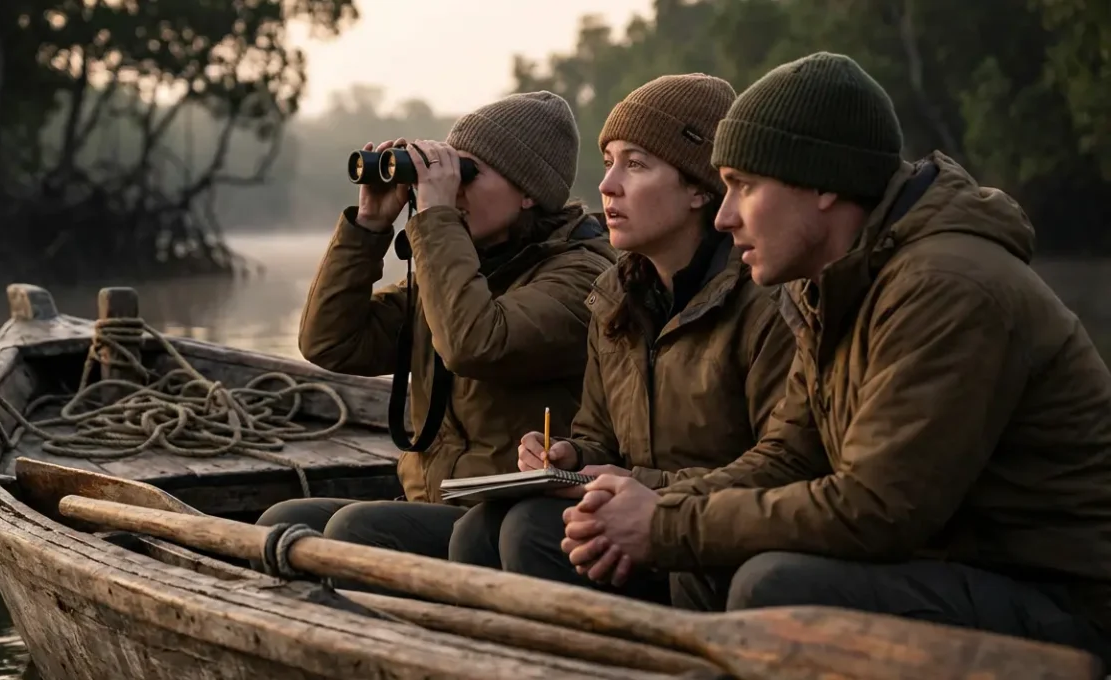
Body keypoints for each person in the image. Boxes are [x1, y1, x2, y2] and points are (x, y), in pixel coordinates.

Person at [559, 51, 1111, 662]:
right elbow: (790, 455)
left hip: (1059, 602)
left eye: (744, 185)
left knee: (773, 583)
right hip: (948, 568)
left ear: (822, 186)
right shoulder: (830, 285)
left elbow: (876, 509)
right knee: (708, 556)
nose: (724, 214)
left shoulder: (946, 287)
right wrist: (663, 506)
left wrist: (664, 526)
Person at [444, 74, 796, 603]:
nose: (608, 185)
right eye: (609, 161)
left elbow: (782, 469)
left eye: (635, 164)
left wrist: (641, 488)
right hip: (634, 515)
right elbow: (599, 436)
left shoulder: (764, 298)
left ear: (700, 187)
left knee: (530, 530)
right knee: (481, 529)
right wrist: (567, 455)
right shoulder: (617, 293)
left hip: (714, 533)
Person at [255, 91, 617, 574]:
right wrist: (370, 225)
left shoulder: (581, 277)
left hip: (505, 521)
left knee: (357, 531)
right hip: (436, 502)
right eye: (448, 174)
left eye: (467, 174)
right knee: (281, 522)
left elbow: (475, 343)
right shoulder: (460, 265)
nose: (453, 189)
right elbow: (331, 342)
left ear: (529, 191)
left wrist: (436, 220)